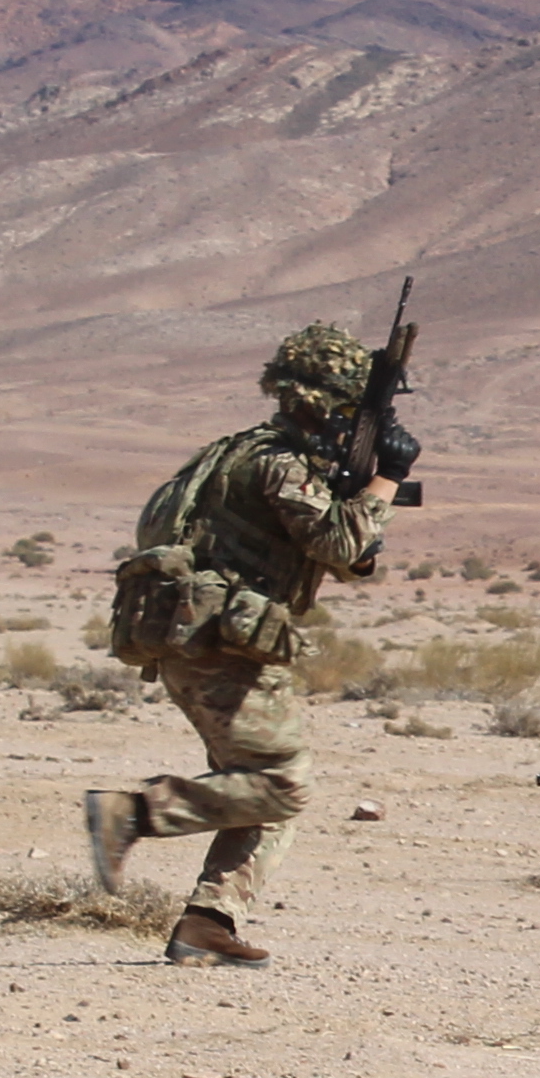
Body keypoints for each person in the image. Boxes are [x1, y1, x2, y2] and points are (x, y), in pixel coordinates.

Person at [85, 324, 399, 966]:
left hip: (190, 638)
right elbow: (341, 543)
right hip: (223, 645)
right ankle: (134, 813)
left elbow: (334, 556)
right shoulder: (278, 462)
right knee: (282, 786)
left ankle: (208, 921)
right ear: (327, 402)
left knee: (255, 785)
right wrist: (387, 481)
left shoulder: (230, 452)